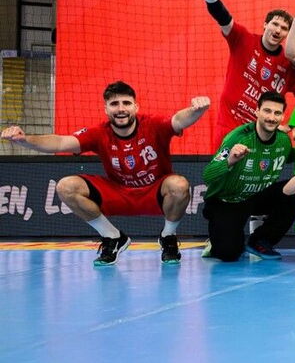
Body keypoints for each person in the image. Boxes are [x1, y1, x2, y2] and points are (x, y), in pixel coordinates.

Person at [2, 82, 208, 266]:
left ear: (136, 107)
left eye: (126, 103)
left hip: (155, 194)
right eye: (114, 104)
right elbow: (61, 142)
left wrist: (196, 109)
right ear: (106, 109)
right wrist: (25, 140)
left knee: (179, 185)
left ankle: (168, 237)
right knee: (66, 186)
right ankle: (113, 237)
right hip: (118, 193)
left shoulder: (153, 124)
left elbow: (178, 120)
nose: (121, 109)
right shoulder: (99, 132)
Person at [201, 91, 295, 262]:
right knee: (228, 253)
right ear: (257, 111)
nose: (271, 117)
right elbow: (207, 175)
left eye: (277, 113)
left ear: (282, 117)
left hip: (257, 197)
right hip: (228, 200)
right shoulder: (238, 138)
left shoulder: (283, 141)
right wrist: (230, 160)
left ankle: (260, 241)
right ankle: (218, 240)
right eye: (267, 111)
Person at [198, 0, 295, 145]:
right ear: (265, 25)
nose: (278, 30)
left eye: (283, 28)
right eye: (274, 24)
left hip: (261, 137)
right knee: (223, 163)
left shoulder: (289, 63)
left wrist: (289, 125)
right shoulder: (243, 39)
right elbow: (223, 18)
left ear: (288, 34)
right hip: (228, 128)